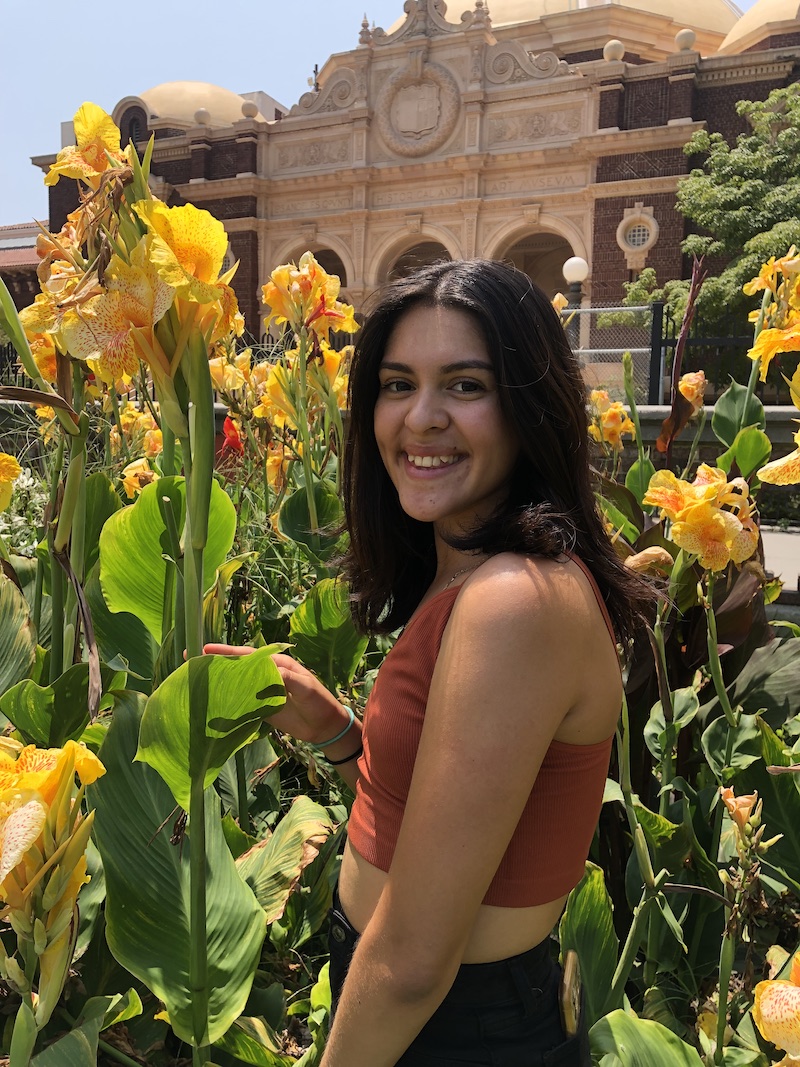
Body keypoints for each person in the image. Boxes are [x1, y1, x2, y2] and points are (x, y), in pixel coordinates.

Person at [208, 259, 653, 1066]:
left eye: (466, 386)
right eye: (397, 383)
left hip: (449, 1029)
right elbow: (451, 837)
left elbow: (413, 961)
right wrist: (342, 734)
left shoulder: (515, 601)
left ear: (529, 406)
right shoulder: (475, 575)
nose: (420, 418)